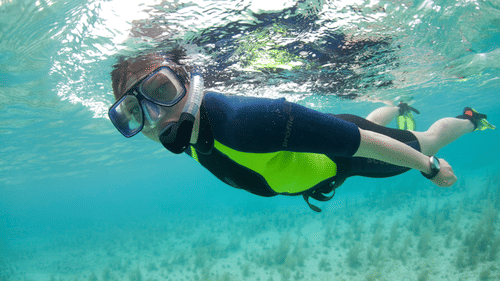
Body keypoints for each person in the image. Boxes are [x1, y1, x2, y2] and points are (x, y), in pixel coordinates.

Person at [108, 51, 496, 212]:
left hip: (348, 155)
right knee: (365, 123)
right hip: (326, 152)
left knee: (425, 140)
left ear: (187, 83)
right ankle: (398, 106)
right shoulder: (188, 134)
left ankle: (470, 119)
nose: (156, 117)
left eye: (162, 91)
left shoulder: (248, 121)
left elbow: (359, 142)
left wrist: (428, 166)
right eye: (133, 110)